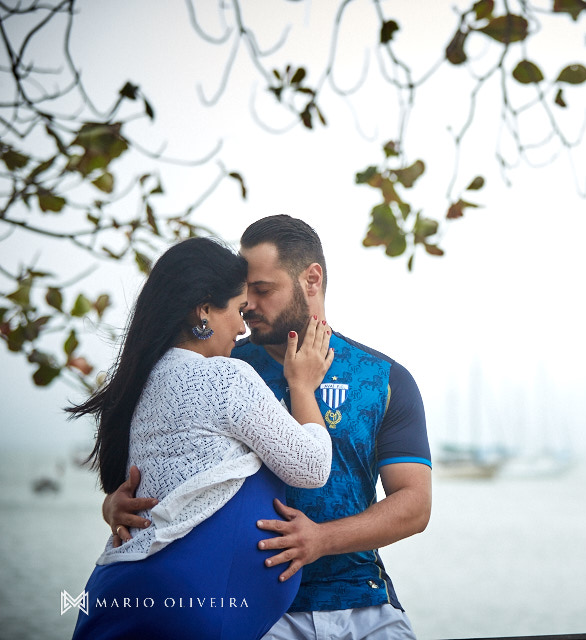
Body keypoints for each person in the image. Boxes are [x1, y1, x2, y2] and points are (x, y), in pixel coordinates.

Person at [105, 215, 433, 640]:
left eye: (262, 290)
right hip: (253, 610)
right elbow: (161, 459)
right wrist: (114, 505)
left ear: (310, 279)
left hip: (365, 601)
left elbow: (415, 505)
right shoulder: (221, 368)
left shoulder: (383, 379)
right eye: (244, 294)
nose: (249, 306)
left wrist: (320, 539)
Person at [68, 236, 335, 640]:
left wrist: (110, 506)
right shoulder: (224, 377)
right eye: (239, 309)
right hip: (192, 609)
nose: (243, 327)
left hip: (117, 593)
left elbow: (140, 484)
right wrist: (302, 386)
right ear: (204, 309)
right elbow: (312, 468)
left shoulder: (139, 381)